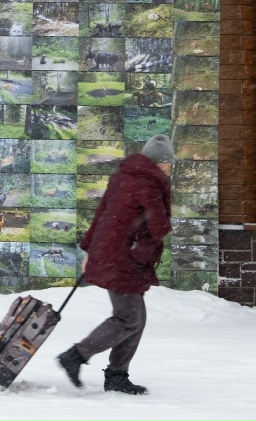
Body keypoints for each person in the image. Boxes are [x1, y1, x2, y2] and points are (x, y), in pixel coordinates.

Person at [57, 134, 173, 395]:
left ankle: (117, 375)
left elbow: (102, 213)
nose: (168, 169)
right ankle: (76, 355)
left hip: (112, 252)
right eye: (168, 163)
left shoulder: (122, 177)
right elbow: (159, 228)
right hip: (125, 257)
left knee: (136, 319)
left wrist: (89, 250)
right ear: (160, 162)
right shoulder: (150, 184)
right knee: (128, 318)